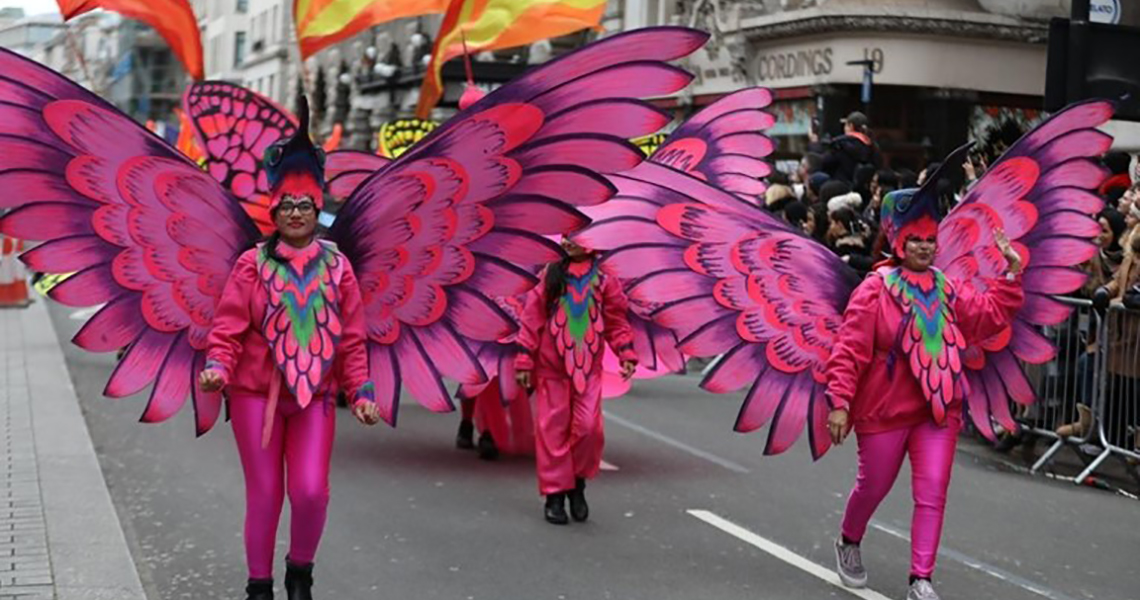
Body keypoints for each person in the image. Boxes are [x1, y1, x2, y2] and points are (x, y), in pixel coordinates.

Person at [198, 123, 381, 600]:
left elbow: (352, 338)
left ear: (316, 211)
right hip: (255, 395)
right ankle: (259, 585)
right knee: (264, 495)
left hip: (315, 396)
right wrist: (219, 365)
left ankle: (301, 572)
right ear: (273, 213)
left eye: (305, 207)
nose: (296, 214)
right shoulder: (250, 265)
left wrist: (361, 391)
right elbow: (229, 326)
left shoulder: (338, 267)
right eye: (287, 207)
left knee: (310, 491)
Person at [826, 189, 1024, 600]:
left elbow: (986, 317)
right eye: (916, 238)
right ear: (899, 242)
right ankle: (849, 539)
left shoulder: (946, 288)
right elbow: (850, 349)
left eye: (931, 239)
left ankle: (921, 578)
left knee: (933, 490)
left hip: (938, 409)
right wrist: (840, 403)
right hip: (884, 407)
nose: (925, 246)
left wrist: (1011, 273)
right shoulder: (874, 289)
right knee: (874, 485)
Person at [515, 237, 638, 525]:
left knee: (589, 430)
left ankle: (578, 483)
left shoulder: (606, 279)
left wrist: (626, 352)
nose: (569, 241)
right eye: (567, 235)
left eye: (578, 235)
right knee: (552, 432)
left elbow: (616, 320)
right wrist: (524, 359)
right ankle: (555, 495)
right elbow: (532, 319)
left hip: (589, 371)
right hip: (552, 370)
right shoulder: (551, 274)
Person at [822, 111, 881, 184]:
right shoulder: (872, 146)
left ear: (851, 126)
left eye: (845, 125)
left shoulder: (839, 144)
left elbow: (825, 163)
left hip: (841, 186)